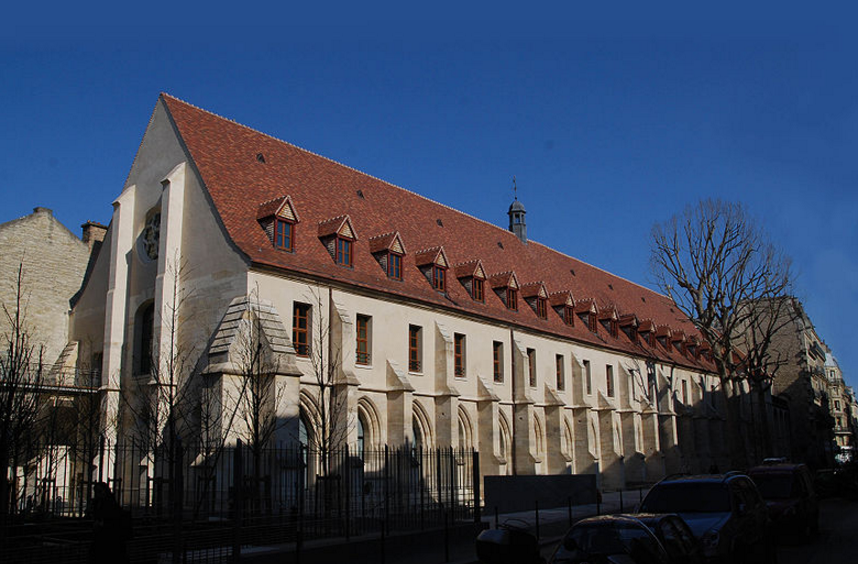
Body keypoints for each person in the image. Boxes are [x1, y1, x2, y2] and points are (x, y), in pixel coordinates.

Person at [87, 482, 129, 563]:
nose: (98, 494)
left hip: (109, 540)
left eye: (99, 491)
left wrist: (102, 523)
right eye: (96, 491)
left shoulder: (109, 504)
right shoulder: (100, 503)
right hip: (104, 540)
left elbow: (114, 521)